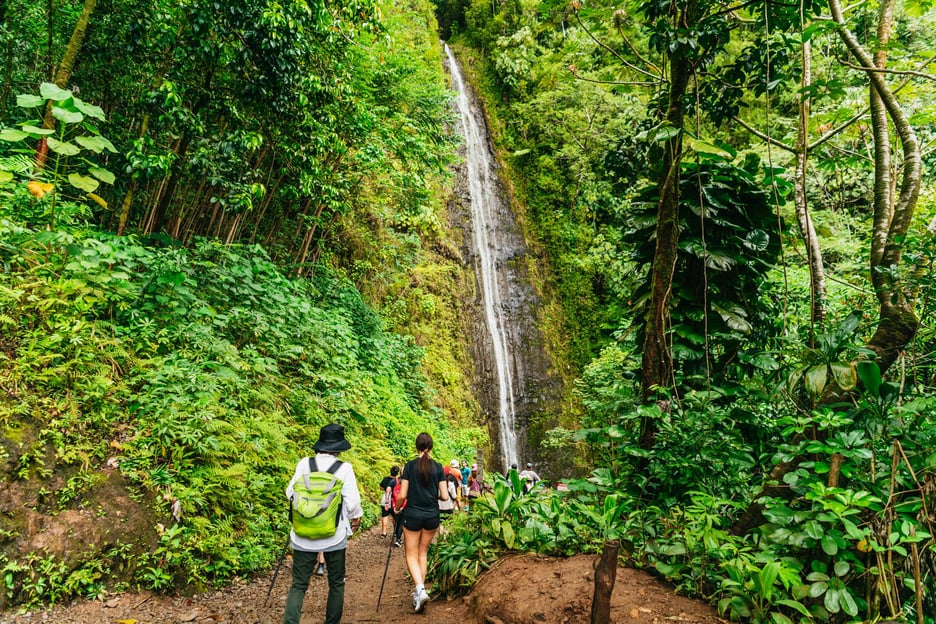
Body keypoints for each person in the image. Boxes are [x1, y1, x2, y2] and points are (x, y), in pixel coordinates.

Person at [283, 423, 363, 624]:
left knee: (298, 584)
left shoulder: (304, 464)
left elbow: (290, 493)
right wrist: (356, 518)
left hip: (302, 535)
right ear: (339, 448)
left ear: (320, 445)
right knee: (336, 583)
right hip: (333, 535)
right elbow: (353, 503)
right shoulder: (344, 468)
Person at [394, 432, 448, 613]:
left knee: (411, 554)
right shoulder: (438, 467)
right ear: (430, 447)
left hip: (413, 515)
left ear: (416, 447)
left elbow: (402, 495)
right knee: (422, 553)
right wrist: (434, 493)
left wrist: (397, 508)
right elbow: (445, 495)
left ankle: (420, 589)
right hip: (432, 515)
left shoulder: (409, 466)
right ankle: (420, 591)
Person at [379, 466, 400, 539]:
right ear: (397, 473)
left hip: (385, 499)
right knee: (395, 517)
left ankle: (384, 533)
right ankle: (395, 532)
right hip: (394, 500)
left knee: (385, 516)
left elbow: (381, 487)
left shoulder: (385, 479)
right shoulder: (397, 481)